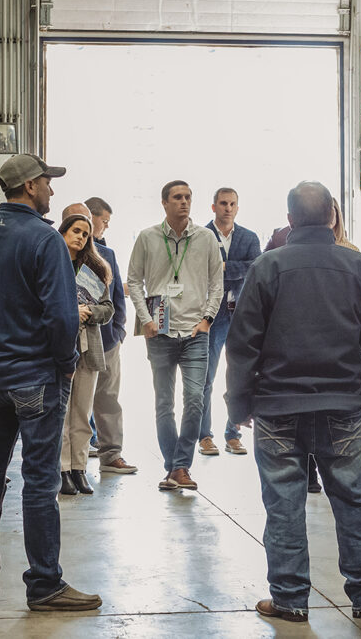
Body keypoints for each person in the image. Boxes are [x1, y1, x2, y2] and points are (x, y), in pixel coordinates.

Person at [225, 180, 361, 622]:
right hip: (343, 404)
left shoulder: (267, 267)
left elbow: (243, 344)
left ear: (289, 221)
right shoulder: (360, 268)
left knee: (283, 504)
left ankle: (289, 599)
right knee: (353, 498)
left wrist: (239, 404)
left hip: (278, 405)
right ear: (333, 218)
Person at [0, 153, 101, 610]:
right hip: (37, 377)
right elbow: (60, 316)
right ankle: (44, 585)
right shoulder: (45, 240)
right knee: (39, 483)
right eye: (47, 182)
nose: (52, 191)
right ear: (29, 186)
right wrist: (64, 363)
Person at [126, 180, 223, 491]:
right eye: (177, 198)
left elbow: (216, 284)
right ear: (164, 203)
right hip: (160, 333)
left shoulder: (206, 238)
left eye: (188, 197)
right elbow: (133, 281)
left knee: (195, 399)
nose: (184, 202)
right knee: (164, 403)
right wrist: (145, 320)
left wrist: (207, 319)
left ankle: (181, 465)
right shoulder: (148, 237)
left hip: (196, 332)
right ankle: (174, 467)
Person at [199, 187, 261, 457]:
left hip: (240, 313)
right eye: (223, 203)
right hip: (209, 314)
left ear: (238, 207)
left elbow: (255, 267)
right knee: (206, 377)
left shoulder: (249, 237)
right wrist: (234, 268)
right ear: (213, 207)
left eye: (232, 204)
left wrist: (224, 268)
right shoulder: (201, 236)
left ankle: (233, 434)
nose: (227, 208)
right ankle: (204, 436)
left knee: (239, 376)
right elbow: (199, 271)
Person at [57, 212, 113, 496]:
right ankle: (63, 469)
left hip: (88, 349)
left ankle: (79, 469)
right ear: (64, 231)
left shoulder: (93, 268)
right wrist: (70, 312)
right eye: (76, 231)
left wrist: (88, 311)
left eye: (86, 234)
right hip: (58, 349)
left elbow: (108, 308)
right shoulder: (51, 264)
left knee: (82, 412)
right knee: (63, 414)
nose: (80, 237)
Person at [307, 196, 358, 494]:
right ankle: (310, 470)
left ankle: (337, 472)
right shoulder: (300, 253)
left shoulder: (352, 254)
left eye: (335, 214)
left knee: (333, 418)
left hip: (342, 347)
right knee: (310, 412)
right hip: (310, 342)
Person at [83, 197, 137, 475]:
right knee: (75, 406)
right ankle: (73, 462)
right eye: (104, 221)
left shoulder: (109, 254)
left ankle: (111, 454)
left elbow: (117, 299)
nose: (105, 227)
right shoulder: (60, 250)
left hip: (107, 339)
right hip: (74, 341)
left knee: (108, 398)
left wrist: (118, 332)